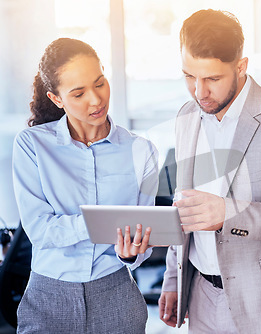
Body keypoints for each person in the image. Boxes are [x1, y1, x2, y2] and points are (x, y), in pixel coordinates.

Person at [158, 9, 261, 333]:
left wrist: (227, 214)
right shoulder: (186, 116)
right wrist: (173, 278)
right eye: (189, 76)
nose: (198, 92)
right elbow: (185, 207)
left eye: (212, 79)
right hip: (201, 298)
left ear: (241, 66)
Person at [12, 38, 159, 334]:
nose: (96, 100)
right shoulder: (32, 145)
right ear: (57, 99)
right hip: (48, 298)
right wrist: (101, 223)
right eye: (78, 94)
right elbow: (40, 229)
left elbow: (143, 235)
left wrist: (130, 253)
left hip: (116, 294)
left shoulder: (141, 150)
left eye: (100, 83)